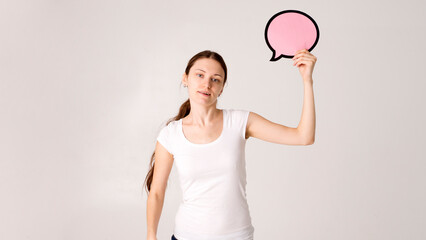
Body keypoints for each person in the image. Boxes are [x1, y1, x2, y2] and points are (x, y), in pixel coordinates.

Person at [144, 49, 317, 240]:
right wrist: (151, 236)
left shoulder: (240, 122)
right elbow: (157, 193)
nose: (206, 84)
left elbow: (303, 137)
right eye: (199, 75)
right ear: (185, 79)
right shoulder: (171, 134)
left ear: (222, 87)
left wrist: (307, 80)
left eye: (215, 79)